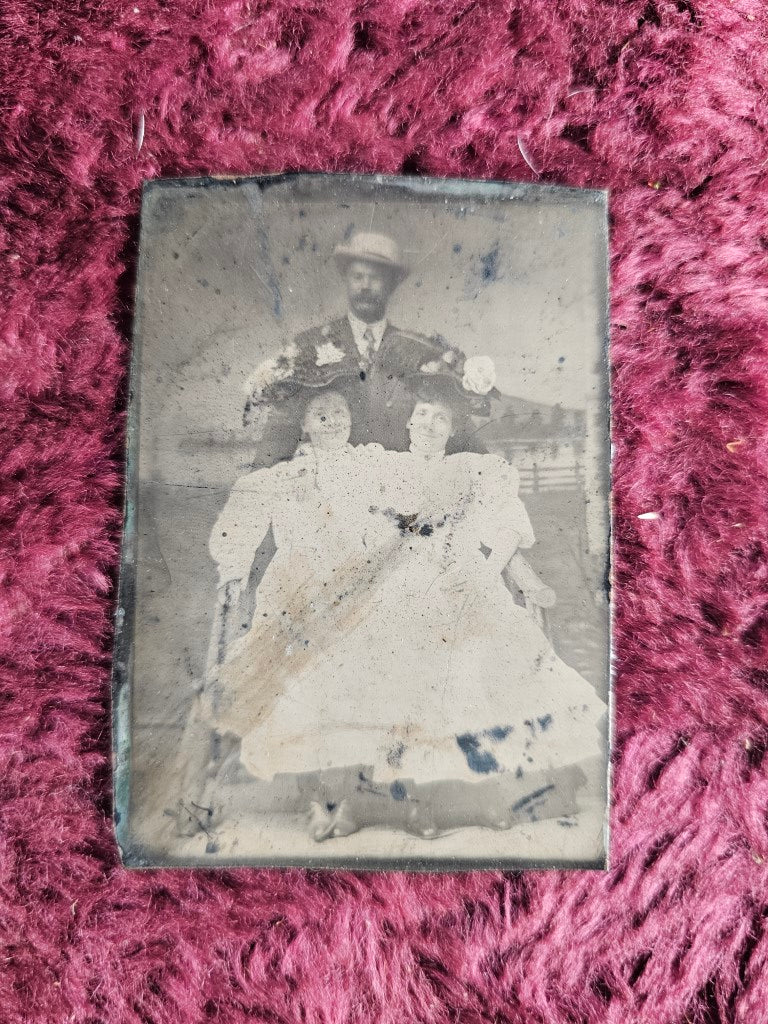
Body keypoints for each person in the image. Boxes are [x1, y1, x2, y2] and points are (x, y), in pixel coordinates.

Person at [238, 374, 607, 841]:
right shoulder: (384, 467)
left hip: (463, 582)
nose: (429, 425)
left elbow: (508, 528)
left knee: (483, 660)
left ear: (452, 429)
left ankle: (487, 794)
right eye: (423, 415)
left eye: (441, 419)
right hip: (398, 582)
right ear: (409, 421)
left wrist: (484, 571)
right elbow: (337, 504)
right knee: (377, 654)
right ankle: (393, 796)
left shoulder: (473, 469)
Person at [242, 231, 497, 458]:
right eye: (357, 276)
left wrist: (488, 477)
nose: (365, 286)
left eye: (375, 278)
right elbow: (281, 429)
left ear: (392, 284)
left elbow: (455, 425)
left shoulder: (419, 351)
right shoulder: (311, 345)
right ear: (346, 280)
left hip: (403, 490)